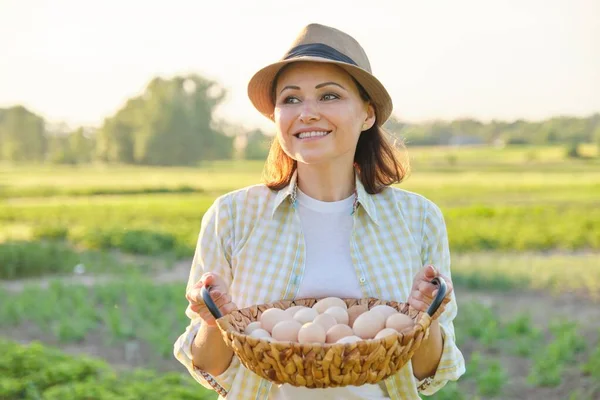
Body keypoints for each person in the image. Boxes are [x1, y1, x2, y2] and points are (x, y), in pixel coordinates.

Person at [173, 23, 465, 400]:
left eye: (329, 96)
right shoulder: (233, 215)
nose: (306, 113)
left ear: (367, 115)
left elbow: (428, 374)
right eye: (291, 99)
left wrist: (424, 318)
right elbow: (210, 365)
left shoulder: (418, 219)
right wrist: (215, 322)